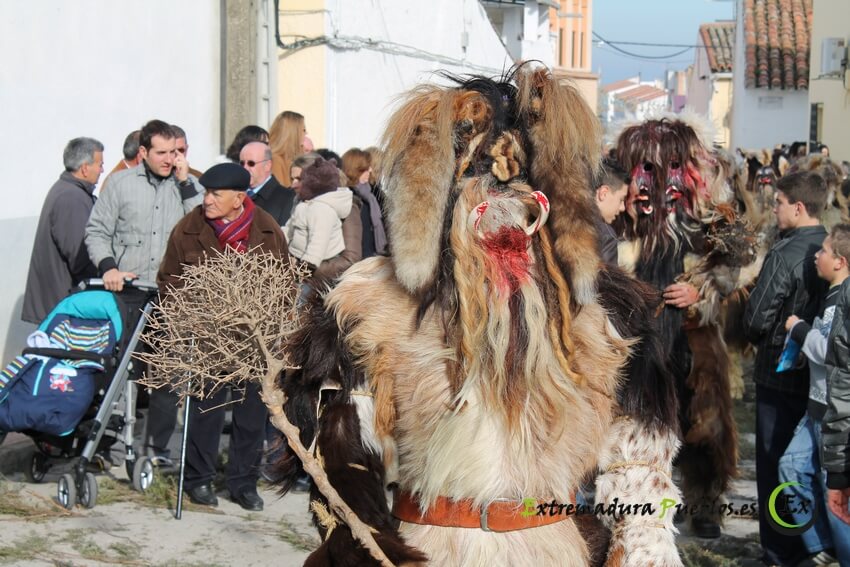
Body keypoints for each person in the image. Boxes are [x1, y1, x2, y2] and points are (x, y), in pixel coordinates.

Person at [157, 162, 287, 510]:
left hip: (254, 340)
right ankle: (199, 479)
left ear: (238, 198)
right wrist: (190, 314)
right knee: (207, 411)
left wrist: (273, 326)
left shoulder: (267, 229)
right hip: (209, 338)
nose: (208, 200)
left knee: (250, 416)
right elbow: (168, 280)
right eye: (206, 193)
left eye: (216, 194)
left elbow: (285, 283)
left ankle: (243, 483)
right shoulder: (189, 229)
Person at [85, 119, 203, 466]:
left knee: (168, 375)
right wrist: (108, 267)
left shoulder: (191, 187)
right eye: (163, 152)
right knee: (119, 372)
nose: (170, 159)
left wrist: (184, 184)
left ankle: (157, 452)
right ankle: (113, 445)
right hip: (129, 292)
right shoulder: (120, 185)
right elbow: (96, 231)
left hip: (171, 296)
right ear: (144, 152)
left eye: (176, 152)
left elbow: (200, 229)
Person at [743, 171, 830, 566]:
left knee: (773, 465)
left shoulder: (786, 253)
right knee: (809, 468)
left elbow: (757, 318)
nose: (773, 209)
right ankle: (813, 544)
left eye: (778, 203)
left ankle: (779, 553)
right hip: (821, 379)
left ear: (798, 207)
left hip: (779, 377)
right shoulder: (833, 245)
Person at [779, 224, 850, 566]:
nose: (817, 256)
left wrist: (799, 329)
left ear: (840, 261)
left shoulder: (843, 305)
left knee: (834, 493)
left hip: (834, 416)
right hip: (815, 410)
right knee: (790, 468)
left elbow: (832, 353)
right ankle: (821, 547)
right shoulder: (831, 299)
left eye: (823, 251)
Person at [22, 137, 103, 323]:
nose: (102, 170)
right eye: (100, 164)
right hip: (63, 302)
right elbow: (79, 255)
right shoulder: (71, 197)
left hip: (59, 300)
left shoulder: (68, 190)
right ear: (84, 168)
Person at [282, 157, 351, 274]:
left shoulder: (324, 208)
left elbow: (318, 243)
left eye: (299, 179)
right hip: (296, 262)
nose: (293, 185)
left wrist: (302, 269)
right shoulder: (301, 201)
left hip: (318, 274)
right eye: (292, 178)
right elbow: (290, 228)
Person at [341, 148, 387, 258]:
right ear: (355, 170)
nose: (370, 171)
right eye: (366, 168)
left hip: (371, 258)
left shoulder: (368, 196)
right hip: (358, 263)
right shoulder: (350, 198)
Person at [239, 141, 294, 226]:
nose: (245, 168)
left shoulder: (287, 198)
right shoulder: (235, 194)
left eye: (251, 163)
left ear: (267, 165)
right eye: (242, 163)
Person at [591, 157, 629, 266]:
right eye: (621, 199)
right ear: (603, 193)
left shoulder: (560, 222)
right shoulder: (605, 235)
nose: (622, 208)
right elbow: (608, 282)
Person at [269, 111, 311, 187]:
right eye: (303, 130)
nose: (306, 133)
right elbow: (280, 192)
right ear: (293, 133)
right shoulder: (275, 160)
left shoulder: (297, 156)